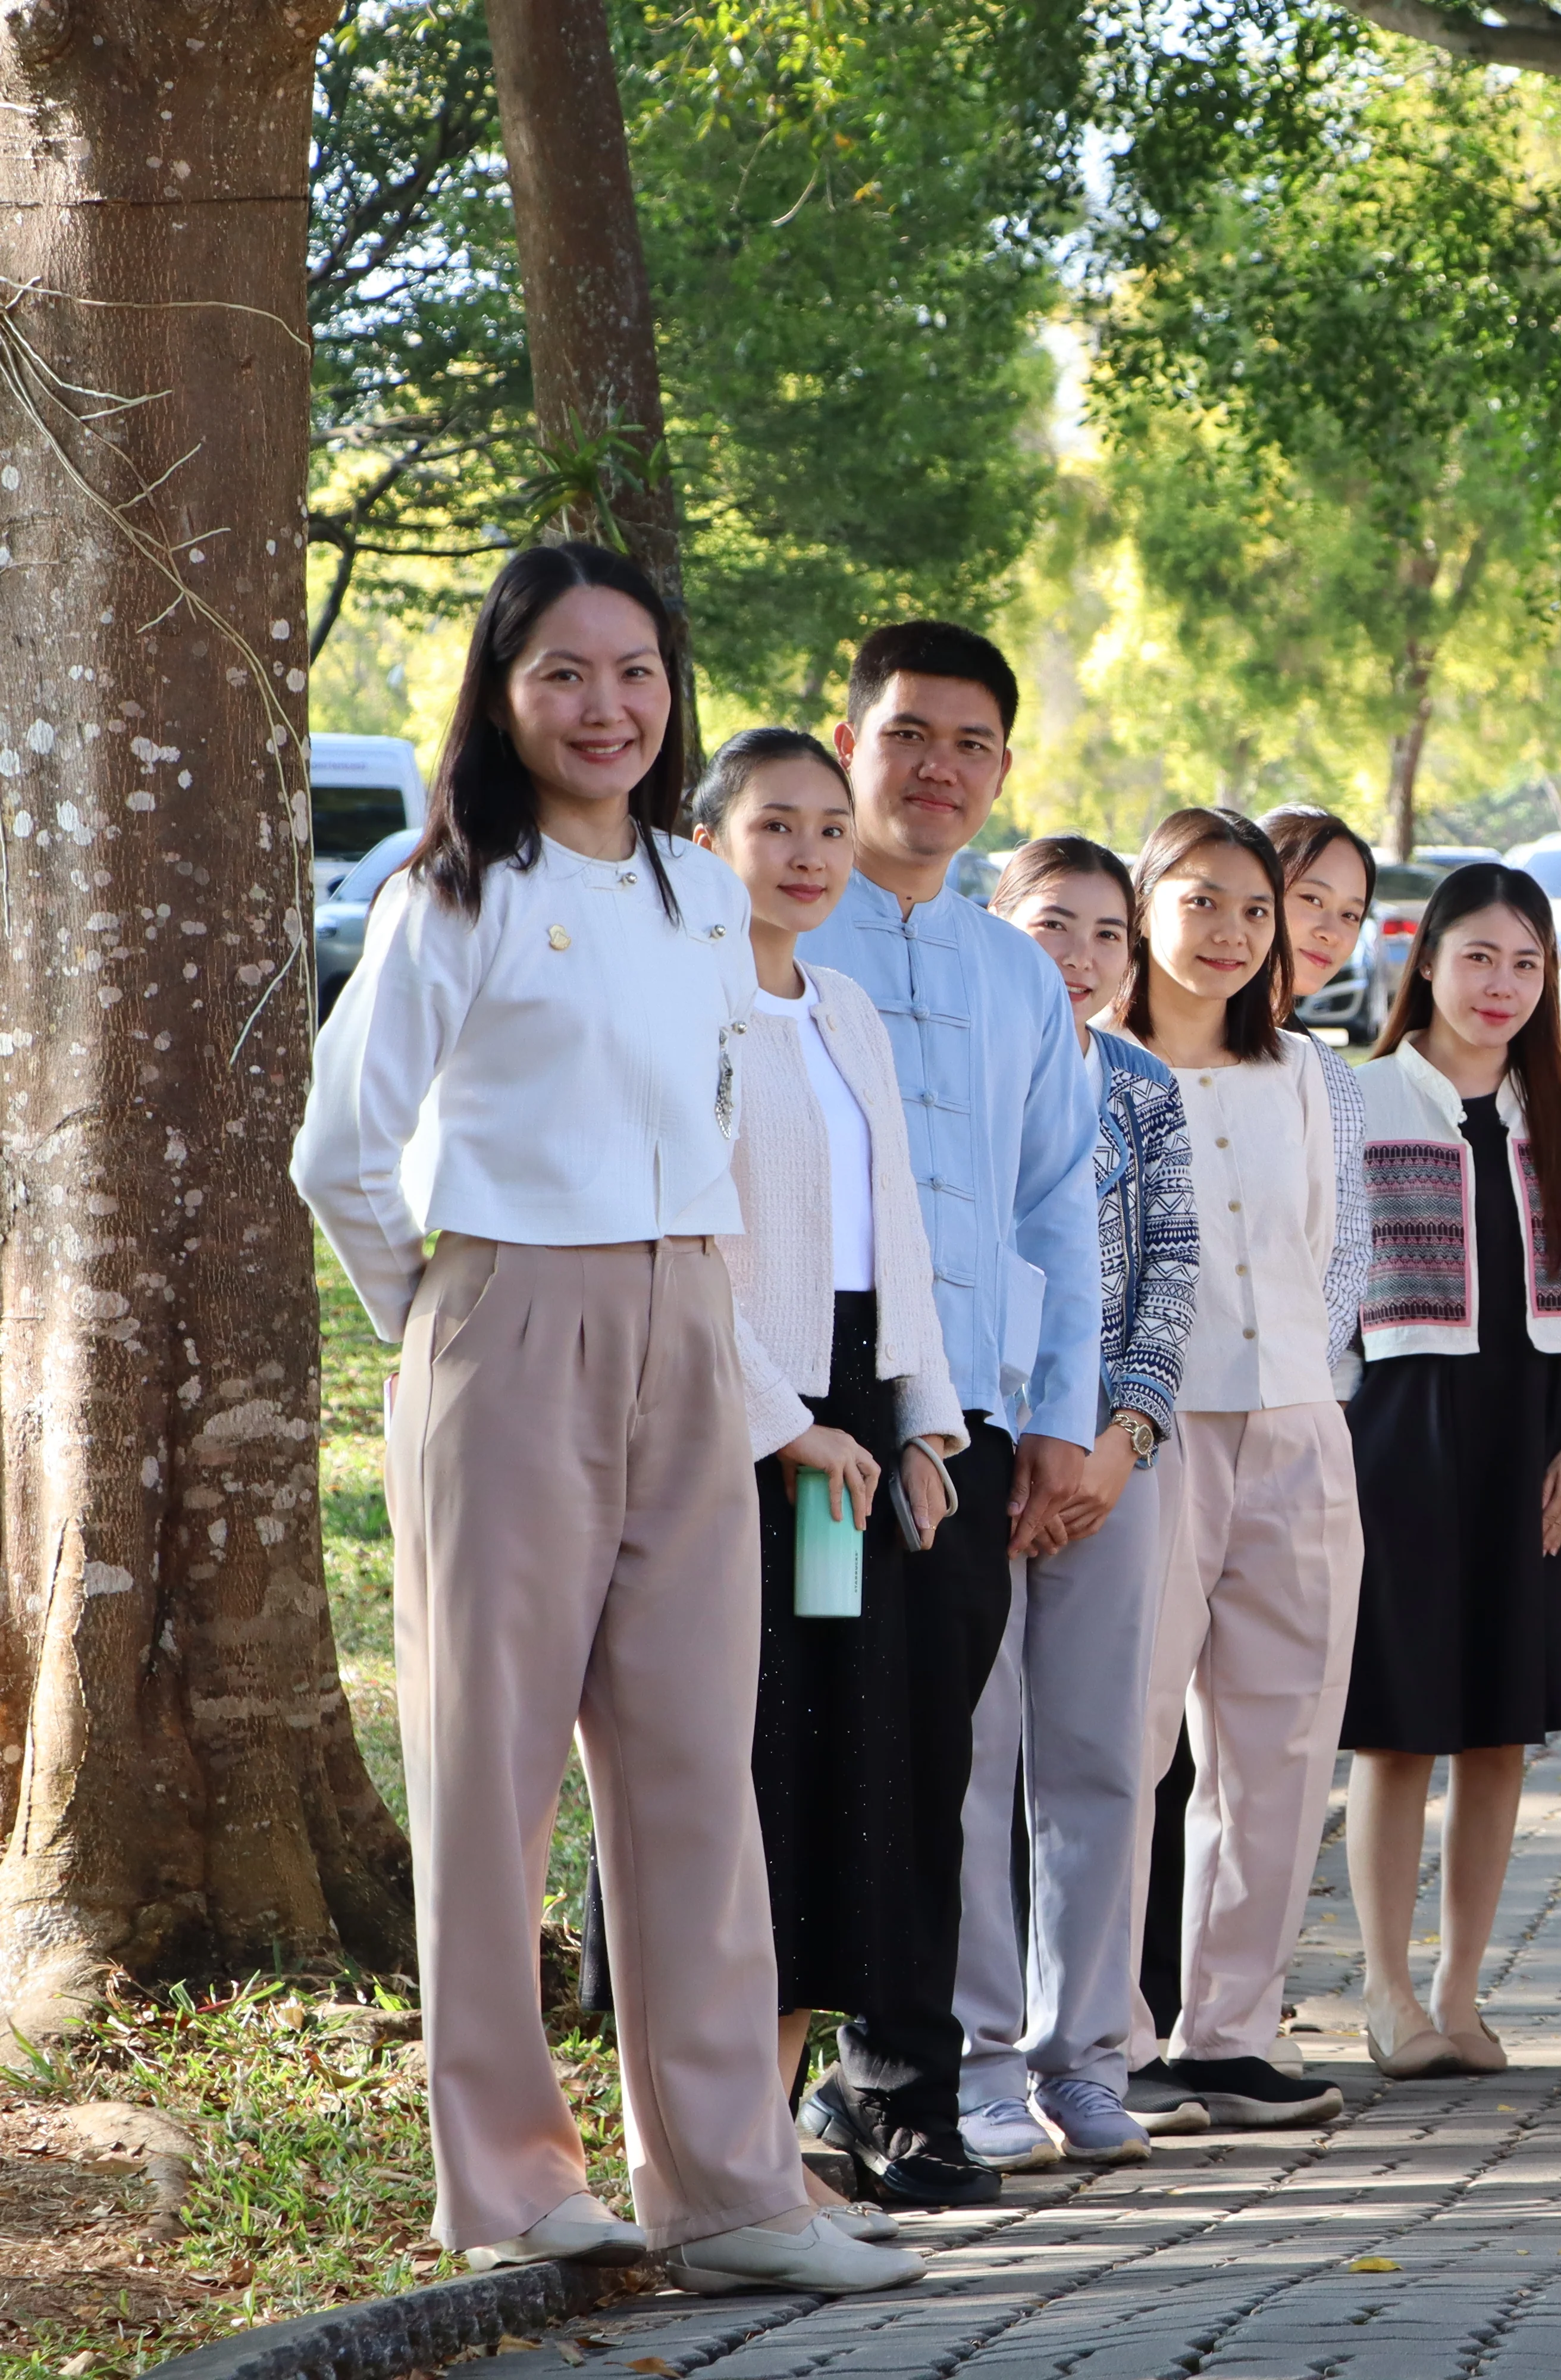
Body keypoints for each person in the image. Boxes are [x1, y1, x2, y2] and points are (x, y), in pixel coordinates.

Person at [293, 544, 916, 2297]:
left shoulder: (702, 897)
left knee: (692, 1768)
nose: (606, 707)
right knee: (489, 1769)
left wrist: (754, 1383)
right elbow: (341, 1154)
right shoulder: (451, 899)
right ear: (503, 693)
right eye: (565, 673)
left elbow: (714, 1146)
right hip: (509, 1320)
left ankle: (729, 2192)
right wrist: (449, 1332)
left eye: (636, 672)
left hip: (691, 1335)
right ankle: (506, 2180)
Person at [795, 622, 1099, 2208]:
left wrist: (1063, 1412)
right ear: (852, 742)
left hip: (960, 1433)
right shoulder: (782, 931)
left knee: (931, 1740)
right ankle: (748, 2082)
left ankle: (903, 2088)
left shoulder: (1007, 972)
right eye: (910, 732)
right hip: (812, 1422)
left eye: (973, 743)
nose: (940, 767)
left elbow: (1058, 1206)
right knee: (802, 1724)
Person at [641, 729, 957, 2256]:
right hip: (725, 1428)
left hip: (852, 1428)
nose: (812, 852)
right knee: (737, 1769)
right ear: (709, 842)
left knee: (842, 1779)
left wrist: (918, 1422)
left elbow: (894, 1222)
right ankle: (693, 2155)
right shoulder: (687, 1005)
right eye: (776, 824)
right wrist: (783, 1426)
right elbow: (685, 1245)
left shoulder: (843, 1007)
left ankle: (767, 2149)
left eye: (831, 826)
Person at [1340, 864, 1561, 2079]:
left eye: (1527, 964)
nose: (1503, 985)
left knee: (1500, 1731)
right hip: (1400, 1434)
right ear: (1426, 961)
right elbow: (1328, 1291)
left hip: (1540, 1430)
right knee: (1399, 1729)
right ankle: (1382, 1989)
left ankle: (1459, 1990)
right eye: (1479, 956)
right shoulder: (1356, 1098)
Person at [952, 837, 1205, 2174]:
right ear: (997, 923)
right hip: (977, 1450)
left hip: (1115, 1468)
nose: (1083, 955)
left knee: (1107, 1760)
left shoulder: (1147, 1086)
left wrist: (1117, 1436)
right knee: (974, 1763)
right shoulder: (956, 1063)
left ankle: (1090, 2056)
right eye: (1055, 923)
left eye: (1110, 932)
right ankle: (981, 2060)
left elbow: (1172, 1266)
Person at [1112, 807, 1358, 2131]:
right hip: (1154, 1430)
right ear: (1146, 906)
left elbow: (1324, 1250)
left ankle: (1231, 2031)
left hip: (1298, 1421)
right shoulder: (1094, 1060)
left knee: (1280, 1741)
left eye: (1256, 911)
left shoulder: (1306, 1073)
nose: (1230, 934)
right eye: (1201, 902)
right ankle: (1109, 2034)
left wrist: (1320, 1395)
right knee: (1129, 1734)